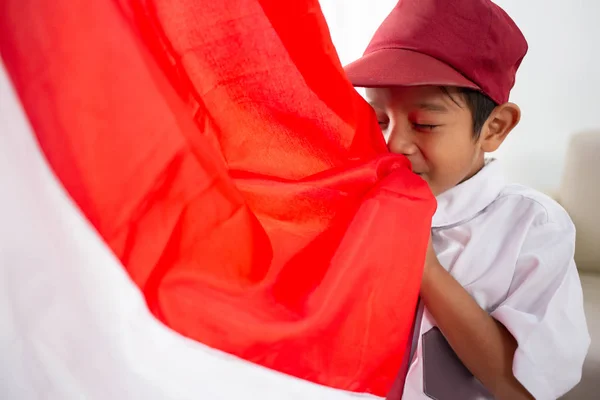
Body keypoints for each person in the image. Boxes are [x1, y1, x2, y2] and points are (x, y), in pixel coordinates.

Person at [344, 0, 590, 399]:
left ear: (495, 127)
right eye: (379, 120)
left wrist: (426, 269)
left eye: (425, 123)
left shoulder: (534, 225)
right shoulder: (357, 204)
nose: (394, 145)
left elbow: (523, 388)